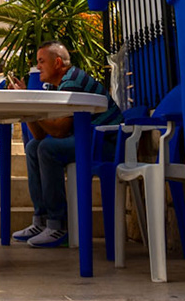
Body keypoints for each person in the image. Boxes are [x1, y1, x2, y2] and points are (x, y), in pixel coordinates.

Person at [10, 40, 118, 248]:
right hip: (90, 138)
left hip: (107, 142)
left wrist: (31, 107)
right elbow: (41, 134)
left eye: (41, 61)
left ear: (57, 62)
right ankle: (41, 221)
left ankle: (57, 225)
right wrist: (28, 106)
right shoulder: (59, 85)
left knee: (48, 150)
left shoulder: (72, 81)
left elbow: (58, 131)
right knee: (34, 147)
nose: (38, 67)